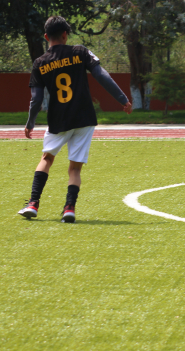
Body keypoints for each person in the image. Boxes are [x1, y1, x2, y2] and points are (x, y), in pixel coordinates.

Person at [18, 16, 132, 223]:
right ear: (65, 34)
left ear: (46, 37)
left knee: (47, 159)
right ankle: (69, 209)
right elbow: (101, 75)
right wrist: (122, 98)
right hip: (84, 117)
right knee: (75, 167)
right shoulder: (79, 52)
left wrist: (30, 123)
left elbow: (36, 100)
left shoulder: (40, 63)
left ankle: (33, 203)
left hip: (58, 119)